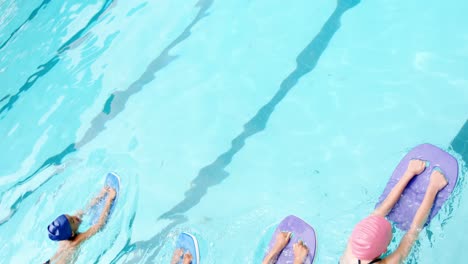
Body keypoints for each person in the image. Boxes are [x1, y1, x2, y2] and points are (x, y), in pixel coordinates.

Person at [340, 159, 448, 263]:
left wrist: (409, 173)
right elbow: (413, 231)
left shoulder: (351, 249)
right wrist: (433, 187)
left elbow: (379, 212)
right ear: (385, 250)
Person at [44, 186, 116, 264]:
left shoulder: (63, 235)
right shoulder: (75, 242)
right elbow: (99, 225)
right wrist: (109, 200)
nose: (75, 217)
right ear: (72, 234)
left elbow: (84, 210)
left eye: (70, 216)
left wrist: (100, 195)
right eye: (72, 220)